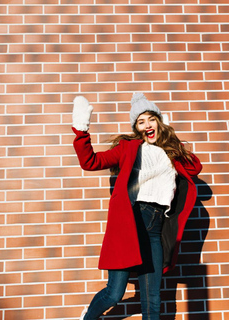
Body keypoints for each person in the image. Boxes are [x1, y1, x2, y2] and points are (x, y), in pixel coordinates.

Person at [72, 92, 202, 320]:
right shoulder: (129, 148)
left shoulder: (169, 154)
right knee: (114, 294)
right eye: (141, 121)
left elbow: (194, 168)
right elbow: (90, 162)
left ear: (159, 122)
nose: (147, 125)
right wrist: (81, 130)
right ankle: (89, 317)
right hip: (131, 223)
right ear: (136, 128)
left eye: (151, 119)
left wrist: (172, 140)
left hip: (155, 229)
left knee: (152, 299)